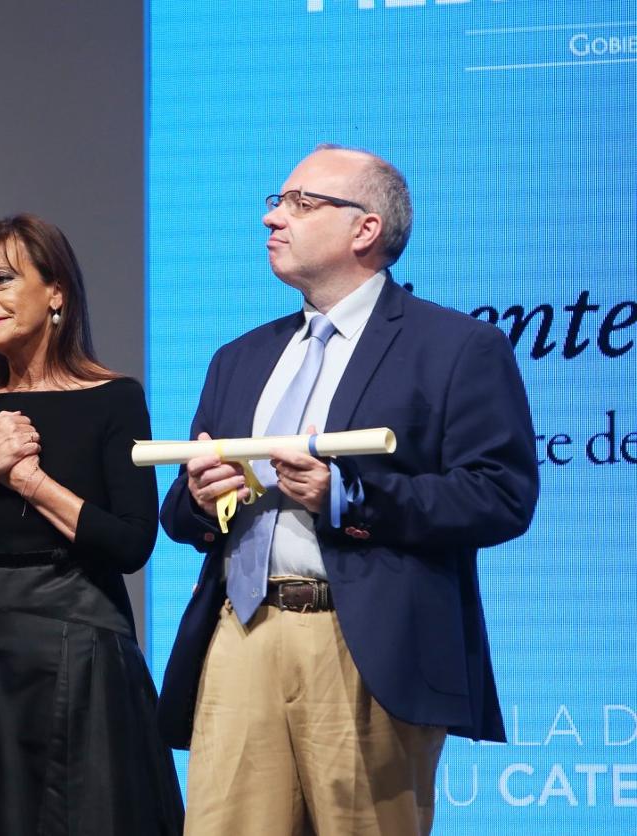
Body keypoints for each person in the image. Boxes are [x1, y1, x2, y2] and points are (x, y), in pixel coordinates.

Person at [157, 145, 539, 834]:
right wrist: (204, 495)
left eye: (301, 203)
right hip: (242, 633)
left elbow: (500, 495)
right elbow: (183, 518)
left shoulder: (456, 347)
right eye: (275, 202)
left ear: (365, 229)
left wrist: (347, 498)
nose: (274, 217)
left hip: (367, 641)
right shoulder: (240, 358)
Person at [0, 214, 184, 835]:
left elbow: (133, 542)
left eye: (2, 279)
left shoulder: (113, 398)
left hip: (84, 648)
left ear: (56, 292)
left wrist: (30, 480)